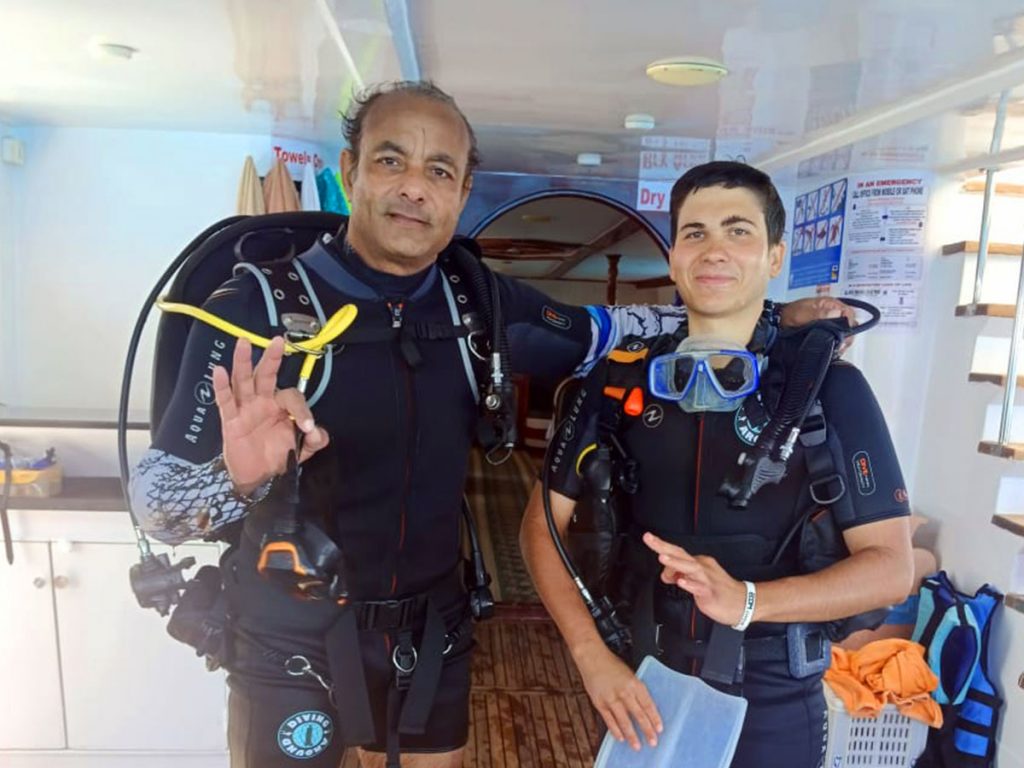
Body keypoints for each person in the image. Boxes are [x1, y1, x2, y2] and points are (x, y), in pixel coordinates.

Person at [132, 82, 851, 768]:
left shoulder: (477, 306)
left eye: (439, 170)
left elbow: (613, 331)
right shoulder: (252, 309)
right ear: (351, 171)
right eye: (391, 160)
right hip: (288, 636)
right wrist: (240, 477)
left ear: (461, 193)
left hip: (431, 631)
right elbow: (157, 507)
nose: (416, 186)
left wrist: (767, 321)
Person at [520, 160, 915, 768]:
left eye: (739, 230)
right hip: (641, 677)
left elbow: (891, 568)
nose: (714, 250)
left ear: (776, 256)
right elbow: (539, 527)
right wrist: (588, 653)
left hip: (774, 700)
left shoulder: (830, 391)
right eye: (694, 232)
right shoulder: (617, 379)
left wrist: (749, 601)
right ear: (674, 255)